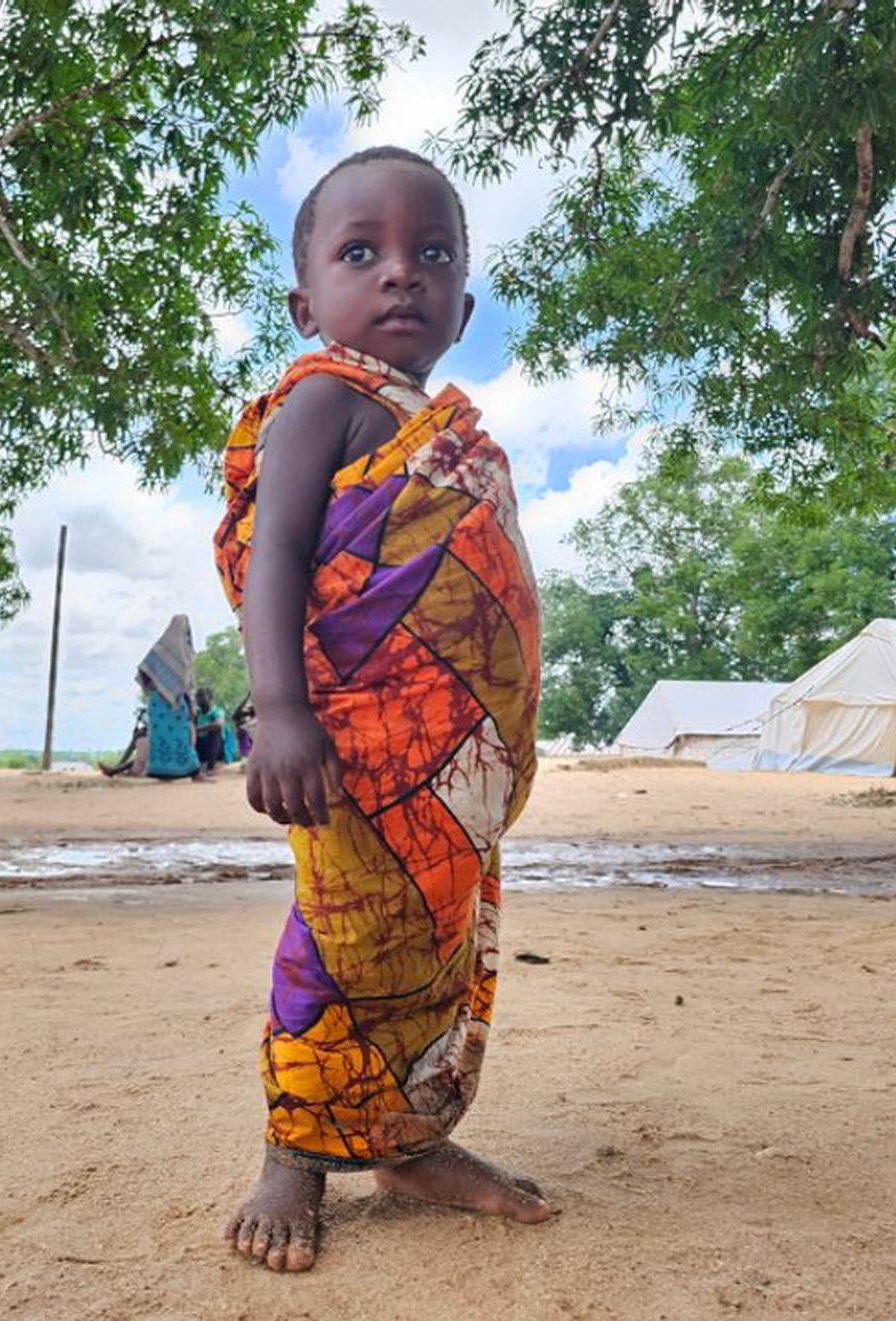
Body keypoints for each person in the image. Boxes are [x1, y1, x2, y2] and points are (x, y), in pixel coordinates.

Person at [213, 147, 548, 1273]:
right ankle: (293, 1154)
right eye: (362, 252)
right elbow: (277, 557)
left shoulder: (445, 429)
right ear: (306, 304)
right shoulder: (325, 400)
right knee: (342, 940)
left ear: (466, 306)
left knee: (434, 953)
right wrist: (279, 709)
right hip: (356, 753)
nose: (401, 272)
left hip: (449, 771)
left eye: (432, 252)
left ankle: (411, 1142)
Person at [137, 616, 201, 779]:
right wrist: (163, 688)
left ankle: (187, 772)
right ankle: (172, 773)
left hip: (162, 703)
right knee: (175, 736)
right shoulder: (166, 651)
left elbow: (144, 672)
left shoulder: (168, 651)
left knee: (179, 736)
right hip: (172, 703)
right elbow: (144, 670)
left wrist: (156, 687)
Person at [193, 687, 227, 777]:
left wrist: (198, 729)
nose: (199, 699)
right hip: (201, 748)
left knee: (215, 732)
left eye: (202, 696)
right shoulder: (197, 712)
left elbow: (219, 724)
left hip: (215, 750)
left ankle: (210, 768)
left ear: (210, 698)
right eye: (197, 697)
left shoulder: (217, 711)